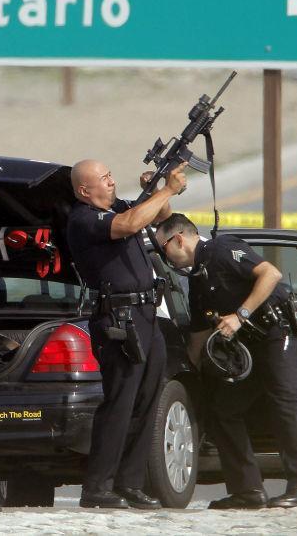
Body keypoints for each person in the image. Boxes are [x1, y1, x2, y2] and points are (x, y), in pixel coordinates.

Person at [154, 213, 297, 509]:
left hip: (279, 332)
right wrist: (190, 378)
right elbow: (198, 336)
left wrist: (240, 315)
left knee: (284, 402)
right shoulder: (198, 279)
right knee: (223, 410)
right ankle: (247, 491)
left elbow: (271, 274)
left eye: (163, 249)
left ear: (178, 239)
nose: (165, 258)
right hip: (250, 347)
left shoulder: (221, 250)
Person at [66, 159, 187, 510]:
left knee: (147, 400)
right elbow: (132, 223)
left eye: (110, 175)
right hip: (119, 318)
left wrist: (160, 188)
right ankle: (98, 487)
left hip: (146, 314)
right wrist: (167, 189)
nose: (111, 181)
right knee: (120, 402)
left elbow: (160, 218)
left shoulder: (116, 208)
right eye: (104, 179)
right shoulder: (84, 219)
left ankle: (130, 483)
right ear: (85, 191)